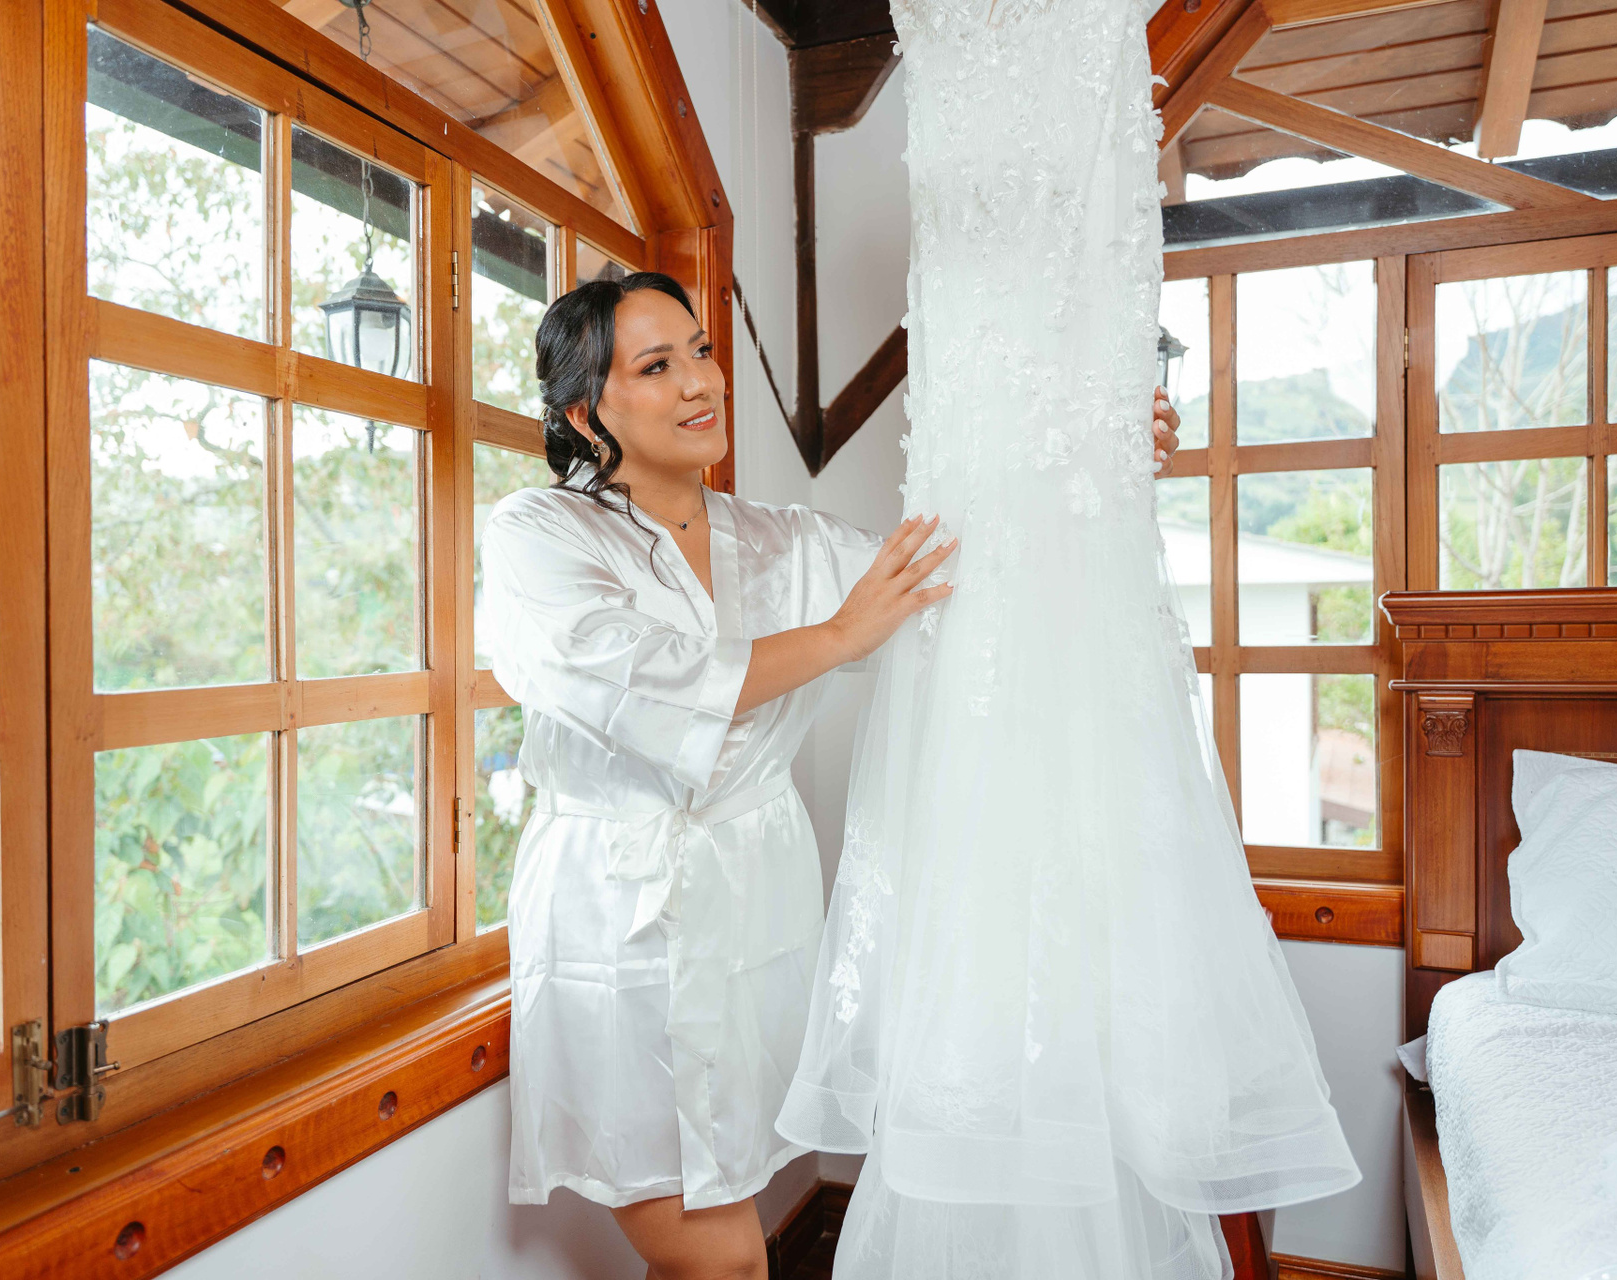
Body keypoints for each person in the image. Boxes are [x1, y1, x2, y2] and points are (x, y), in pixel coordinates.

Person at [479, 270, 1181, 1280]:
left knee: (715, 1226)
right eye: (658, 365)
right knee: (721, 1257)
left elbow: (963, 578)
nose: (701, 381)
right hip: (614, 916)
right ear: (588, 413)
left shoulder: (785, 540)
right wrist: (843, 634)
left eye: (701, 351)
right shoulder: (536, 534)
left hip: (754, 908)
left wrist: (1099, 474)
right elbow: (637, 676)